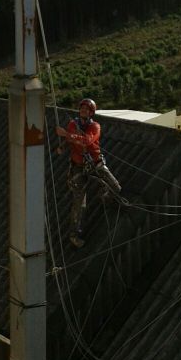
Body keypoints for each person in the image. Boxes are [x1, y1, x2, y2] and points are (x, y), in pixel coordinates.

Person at [56, 98, 122, 248]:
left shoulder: (95, 126)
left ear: (91, 112)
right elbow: (71, 142)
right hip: (78, 166)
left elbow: (86, 141)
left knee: (116, 187)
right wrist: (63, 146)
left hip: (95, 163)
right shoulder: (73, 125)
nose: (83, 111)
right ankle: (74, 234)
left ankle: (105, 197)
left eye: (87, 109)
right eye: (82, 109)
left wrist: (66, 134)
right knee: (79, 202)